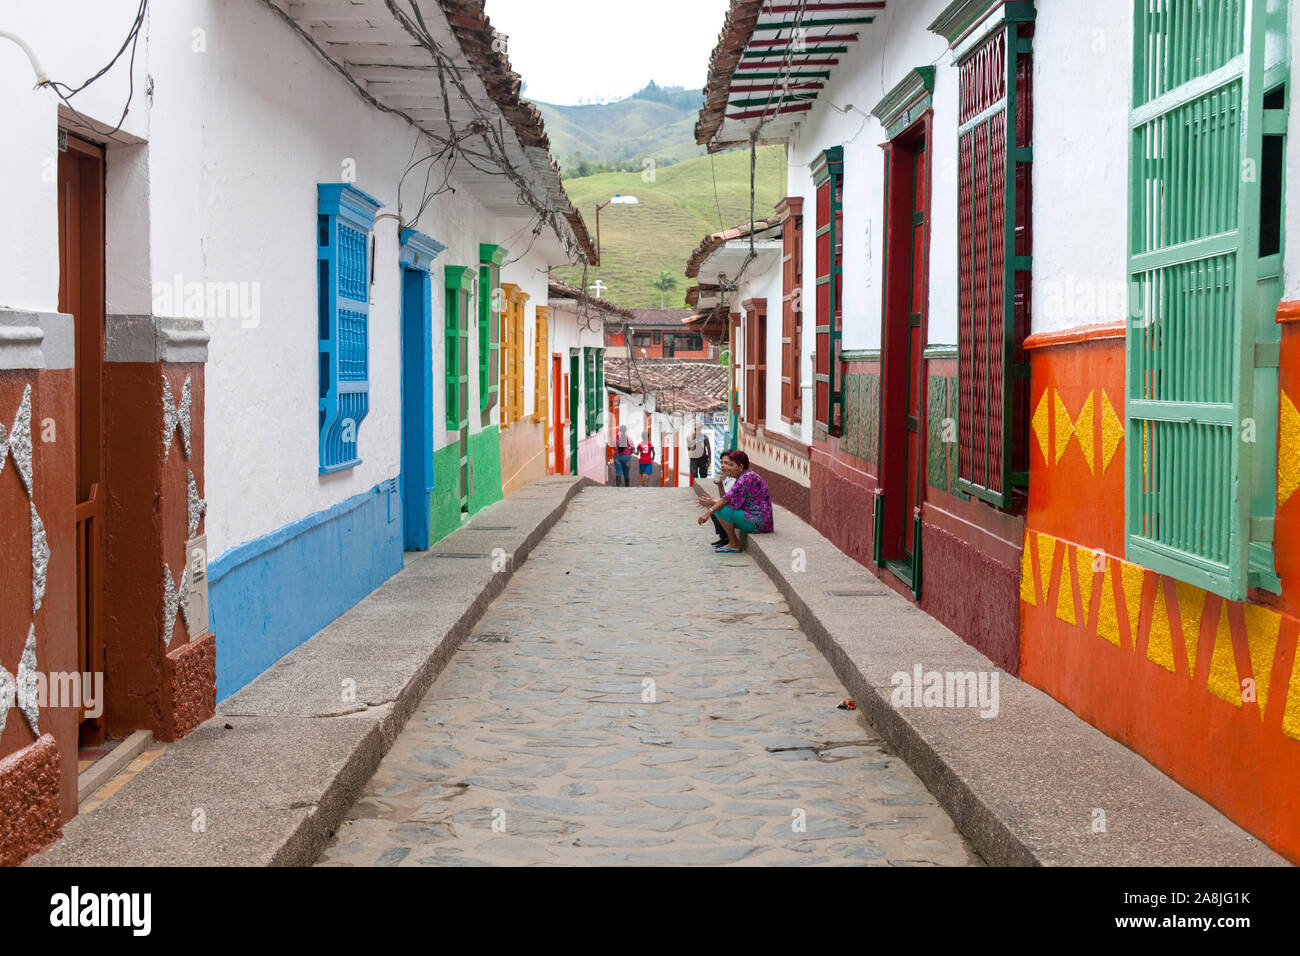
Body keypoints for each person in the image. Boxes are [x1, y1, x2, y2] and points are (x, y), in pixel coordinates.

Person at [696, 450, 774, 552]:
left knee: (721, 509)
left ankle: (734, 544)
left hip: (760, 523)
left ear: (740, 467)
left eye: (731, 465)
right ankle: (729, 541)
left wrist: (708, 513)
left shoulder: (745, 478)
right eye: (727, 464)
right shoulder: (744, 476)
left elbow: (726, 500)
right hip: (757, 519)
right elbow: (728, 499)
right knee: (720, 508)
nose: (728, 467)